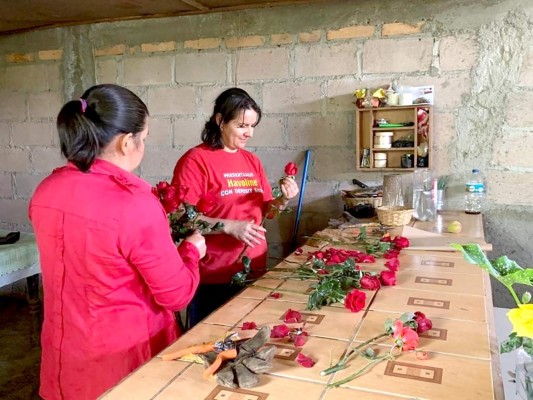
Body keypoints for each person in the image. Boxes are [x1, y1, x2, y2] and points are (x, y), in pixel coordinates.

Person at [29, 84, 206, 400]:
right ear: (128, 142)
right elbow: (176, 294)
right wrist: (191, 251)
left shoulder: (46, 190)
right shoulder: (134, 203)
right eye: (145, 138)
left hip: (64, 352)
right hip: (122, 361)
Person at [172, 87, 299, 328]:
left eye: (252, 126)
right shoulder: (196, 161)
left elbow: (266, 213)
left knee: (247, 346)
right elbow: (181, 219)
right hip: (214, 276)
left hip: (253, 271)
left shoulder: (251, 160)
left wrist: (282, 200)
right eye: (242, 126)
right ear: (220, 120)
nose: (249, 133)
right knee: (210, 347)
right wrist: (229, 226)